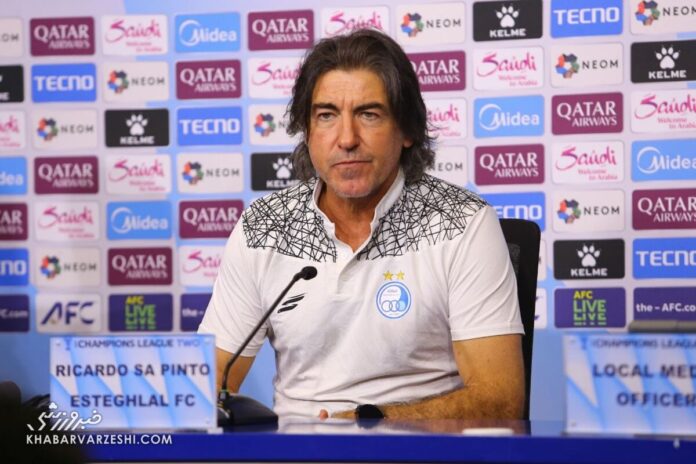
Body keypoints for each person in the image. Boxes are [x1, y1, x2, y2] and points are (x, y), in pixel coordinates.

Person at [199, 29, 524, 420]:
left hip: (417, 446)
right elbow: (210, 381)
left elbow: (500, 398)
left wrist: (367, 422)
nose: (347, 139)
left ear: (407, 130)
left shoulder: (461, 221)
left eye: (369, 115)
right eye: (326, 116)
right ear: (307, 132)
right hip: (296, 445)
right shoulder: (264, 225)